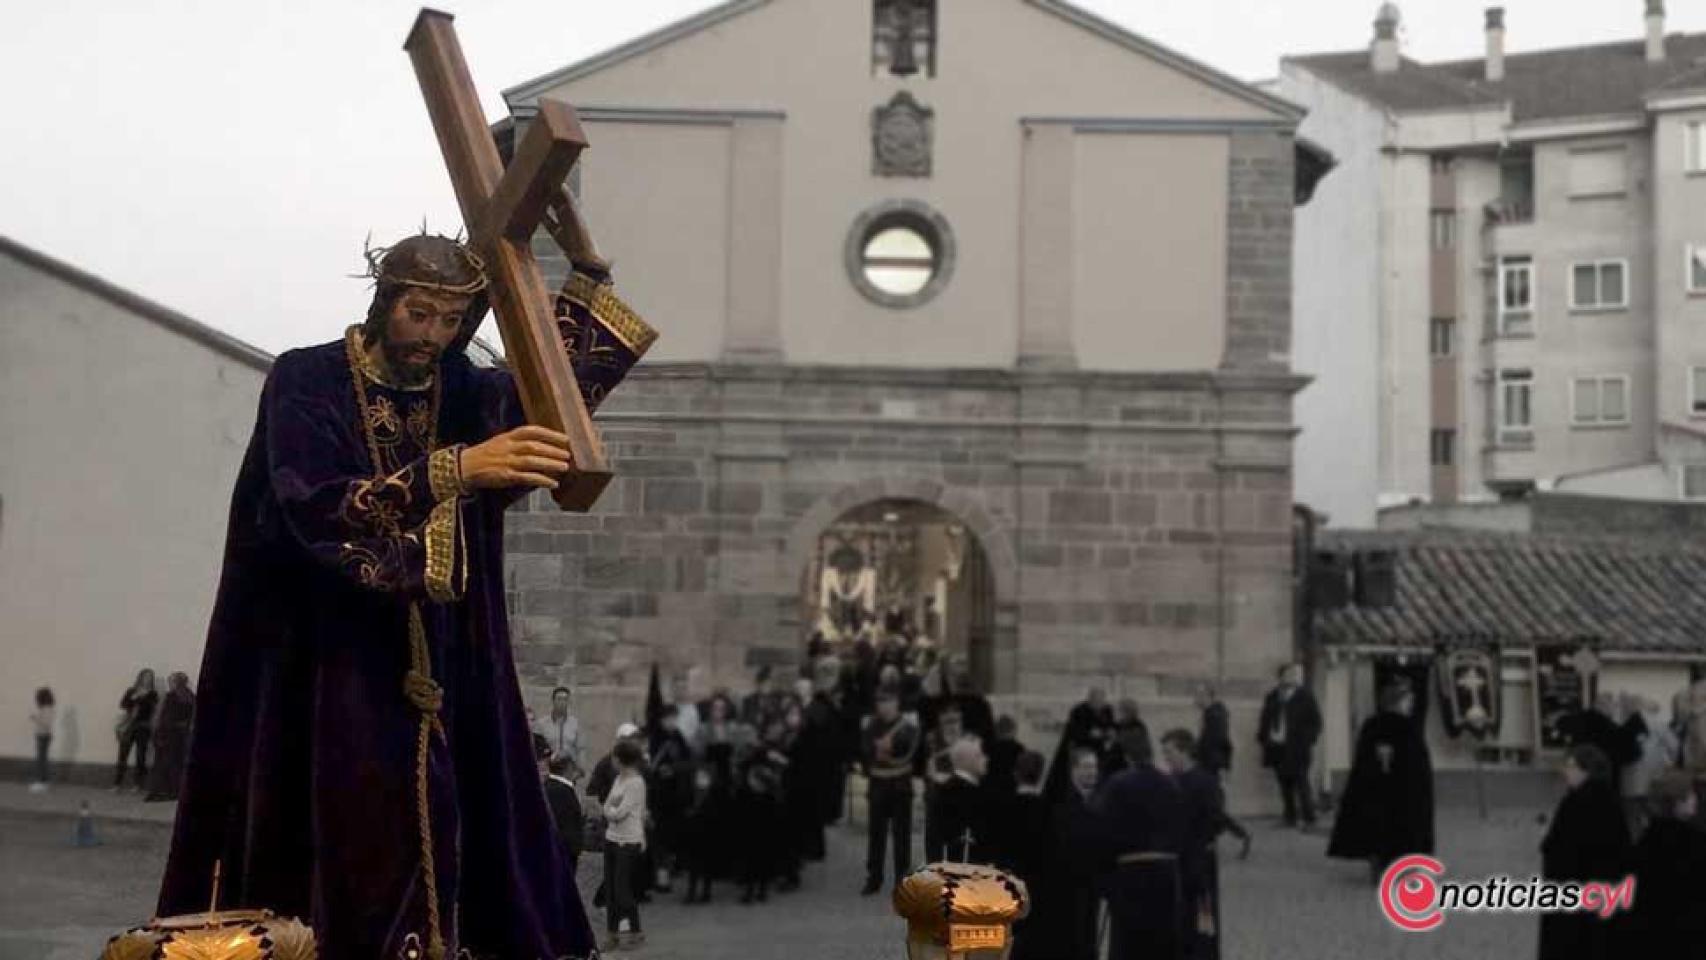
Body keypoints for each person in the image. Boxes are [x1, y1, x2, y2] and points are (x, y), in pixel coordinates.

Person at [156, 234, 651, 959]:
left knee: (469, 818)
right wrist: (453, 470)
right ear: (386, 300)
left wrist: (584, 284)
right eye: (420, 316)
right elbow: (311, 502)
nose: (434, 337)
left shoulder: (463, 387)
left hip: (453, 652)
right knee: (357, 831)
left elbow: (550, 402)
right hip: (334, 656)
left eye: (452, 322)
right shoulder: (309, 378)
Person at [1327, 679, 1434, 882]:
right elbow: (1417, 764)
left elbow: (1363, 761)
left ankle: (1380, 867)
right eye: (1408, 700)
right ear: (1398, 701)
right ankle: (1396, 868)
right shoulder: (1408, 728)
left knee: (1377, 832)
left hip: (1375, 791)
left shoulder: (1372, 725)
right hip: (1401, 793)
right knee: (1399, 832)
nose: (1411, 704)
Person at [1094, 727, 1186, 960]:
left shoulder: (1117, 785)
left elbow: (1104, 832)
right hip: (1165, 872)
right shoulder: (1170, 784)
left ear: (1127, 756)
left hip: (1130, 872)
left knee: (1129, 942)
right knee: (1163, 939)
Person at [1538, 745, 1631, 960]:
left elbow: (1558, 848)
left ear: (1586, 770)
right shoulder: (1612, 802)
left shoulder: (1574, 802)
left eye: (1571, 766)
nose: (1565, 771)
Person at [1620, 769, 1706, 951]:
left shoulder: (1643, 844)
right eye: (1691, 794)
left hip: (1649, 939)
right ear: (1679, 801)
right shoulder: (1696, 843)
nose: (1696, 800)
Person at [1161, 729, 1228, 960]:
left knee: (1203, 916)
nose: (1166, 758)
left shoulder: (1206, 782)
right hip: (1176, 861)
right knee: (1180, 917)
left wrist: (1195, 838)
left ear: (1185, 751)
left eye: (1169, 752)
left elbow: (1216, 821)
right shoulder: (1170, 782)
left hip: (1199, 862)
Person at [997, 751, 1056, 960]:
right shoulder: (1049, 811)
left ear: (1016, 775)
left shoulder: (1003, 808)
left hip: (1009, 882)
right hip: (1041, 884)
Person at [861, 688, 919, 894]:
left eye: (888, 702)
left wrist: (890, 746)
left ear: (896, 703)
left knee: (901, 834)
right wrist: (875, 751)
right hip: (878, 784)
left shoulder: (908, 728)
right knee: (876, 834)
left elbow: (912, 751)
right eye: (880, 702)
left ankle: (902, 877)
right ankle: (874, 877)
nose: (884, 706)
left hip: (900, 784)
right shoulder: (871, 727)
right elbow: (864, 750)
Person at [1258, 663, 1321, 829]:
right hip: (1277, 747)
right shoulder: (1272, 696)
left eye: (1295, 674)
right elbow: (1265, 719)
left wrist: (1307, 740)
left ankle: (1310, 818)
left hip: (1298, 748)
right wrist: (1263, 738)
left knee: (1302, 783)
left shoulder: (1305, 696)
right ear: (1281, 677)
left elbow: (1315, 722)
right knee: (1284, 784)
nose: (1293, 677)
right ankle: (1289, 817)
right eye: (1289, 674)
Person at [735, 717, 791, 904]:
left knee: (764, 847)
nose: (748, 738)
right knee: (749, 848)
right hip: (747, 805)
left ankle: (761, 888)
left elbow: (781, 771)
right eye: (744, 735)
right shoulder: (743, 754)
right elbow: (738, 776)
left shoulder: (766, 752)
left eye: (750, 734)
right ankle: (750, 888)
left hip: (765, 805)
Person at [1193, 683, 1250, 858]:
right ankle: (1212, 839)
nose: (1195, 699)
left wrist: (1219, 765)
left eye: (1198, 695)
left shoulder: (1215, 715)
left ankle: (1241, 835)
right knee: (1208, 806)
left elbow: (1219, 743)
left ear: (1208, 696)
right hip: (1209, 765)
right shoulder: (1212, 713)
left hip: (1210, 766)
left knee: (1212, 807)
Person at [602, 738, 649, 950]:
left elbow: (619, 813)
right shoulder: (618, 779)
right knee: (611, 892)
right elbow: (607, 806)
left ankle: (635, 931)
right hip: (611, 839)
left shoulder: (636, 783)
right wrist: (611, 809)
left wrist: (611, 809)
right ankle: (612, 934)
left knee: (622, 891)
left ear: (622, 760)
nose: (612, 760)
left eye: (614, 757)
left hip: (627, 842)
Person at [647, 705, 694, 894]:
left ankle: (671, 868)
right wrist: (659, 771)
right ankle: (661, 878)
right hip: (658, 795)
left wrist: (674, 769)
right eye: (668, 718)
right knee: (659, 838)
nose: (672, 722)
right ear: (661, 720)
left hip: (676, 796)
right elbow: (648, 764)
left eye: (674, 718)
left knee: (672, 836)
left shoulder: (679, 737)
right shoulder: (655, 738)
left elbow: (689, 762)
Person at [1046, 688, 1116, 800]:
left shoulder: (1107, 710)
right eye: (1096, 701)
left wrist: (1107, 733)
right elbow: (1075, 732)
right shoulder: (1078, 711)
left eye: (1101, 701)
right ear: (1089, 699)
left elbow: (1111, 727)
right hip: (1081, 751)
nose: (1098, 705)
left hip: (1100, 751)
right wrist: (1092, 734)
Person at [933, 736, 994, 863]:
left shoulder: (947, 789)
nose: (986, 759)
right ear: (966, 760)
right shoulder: (965, 793)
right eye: (979, 755)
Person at [922, 704, 966, 862]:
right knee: (934, 856)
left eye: (955, 721)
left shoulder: (967, 741)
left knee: (956, 855)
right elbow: (928, 770)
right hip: (936, 802)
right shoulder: (931, 740)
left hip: (958, 805)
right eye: (948, 721)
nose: (952, 725)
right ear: (940, 721)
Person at [145, 672, 196, 802]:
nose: (170, 684)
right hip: (180, 735)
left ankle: (159, 792)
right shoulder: (191, 697)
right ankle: (173, 791)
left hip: (166, 734)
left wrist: (155, 732)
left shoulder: (169, 697)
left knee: (161, 764)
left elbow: (160, 715)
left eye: (171, 681)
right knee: (174, 764)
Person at [541, 746, 584, 878]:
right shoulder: (562, 791)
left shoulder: (548, 786)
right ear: (569, 768)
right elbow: (564, 824)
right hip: (563, 853)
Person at [115, 669, 158, 791]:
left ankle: (137, 784)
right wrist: (134, 697)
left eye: (150, 677)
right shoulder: (131, 690)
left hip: (143, 726)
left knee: (140, 756)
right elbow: (123, 704)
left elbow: (150, 709)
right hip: (129, 726)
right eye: (145, 676)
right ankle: (117, 783)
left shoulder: (153, 694)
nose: (147, 679)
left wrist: (142, 698)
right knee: (123, 754)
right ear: (140, 677)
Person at [535, 686, 582, 776]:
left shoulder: (575, 723)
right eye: (559, 699)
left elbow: (580, 749)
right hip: (548, 769)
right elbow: (537, 748)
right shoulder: (542, 724)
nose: (562, 702)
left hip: (568, 770)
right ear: (553, 701)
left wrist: (579, 770)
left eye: (565, 699)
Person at [985, 715, 1024, 800]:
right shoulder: (1018, 748)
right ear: (1012, 730)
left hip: (988, 786)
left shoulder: (988, 746)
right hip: (1009, 787)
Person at [29, 687, 55, 792]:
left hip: (43, 736)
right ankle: (44, 782)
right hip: (43, 735)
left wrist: (36, 719)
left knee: (41, 760)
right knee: (42, 759)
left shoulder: (47, 709)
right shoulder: (46, 709)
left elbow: (46, 724)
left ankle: (41, 782)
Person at [740, 665, 783, 730]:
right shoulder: (748, 700)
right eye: (764, 684)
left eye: (769, 684)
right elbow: (744, 721)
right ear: (758, 685)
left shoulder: (775, 701)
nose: (767, 687)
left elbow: (777, 720)